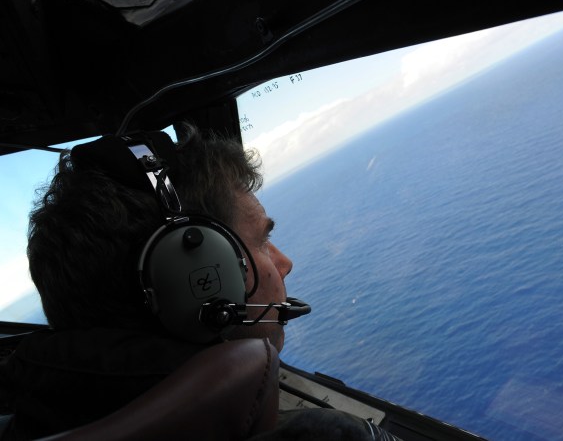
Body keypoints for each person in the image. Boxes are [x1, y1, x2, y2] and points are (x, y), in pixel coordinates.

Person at [0, 125, 396, 440]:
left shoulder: (29, 413)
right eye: (262, 240)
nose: (284, 263)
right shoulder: (327, 436)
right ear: (198, 279)